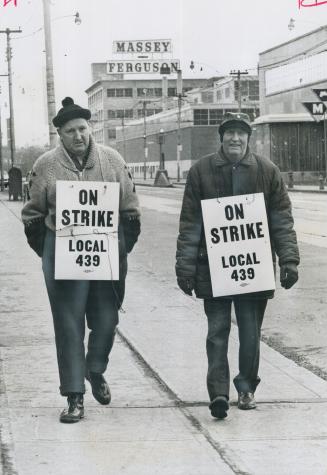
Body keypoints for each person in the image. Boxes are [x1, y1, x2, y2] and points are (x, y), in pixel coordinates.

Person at [22, 97, 140, 423]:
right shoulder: (46, 165)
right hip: (62, 257)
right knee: (68, 325)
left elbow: (130, 210)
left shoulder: (112, 160)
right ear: (60, 134)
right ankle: (74, 396)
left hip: (107, 256)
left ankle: (95, 368)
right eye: (71, 131)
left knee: (106, 320)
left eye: (83, 129)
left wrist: (120, 248)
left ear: (91, 129)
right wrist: (49, 252)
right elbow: (32, 215)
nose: (79, 136)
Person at [175, 112, 299, 419]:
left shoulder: (267, 171)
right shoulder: (201, 171)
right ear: (221, 137)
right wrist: (185, 267)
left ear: (248, 138)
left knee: (250, 332)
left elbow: (281, 220)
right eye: (229, 133)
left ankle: (246, 388)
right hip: (212, 269)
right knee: (216, 332)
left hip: (252, 268)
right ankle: (218, 392)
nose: (234, 138)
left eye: (240, 134)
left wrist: (289, 260)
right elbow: (190, 224)